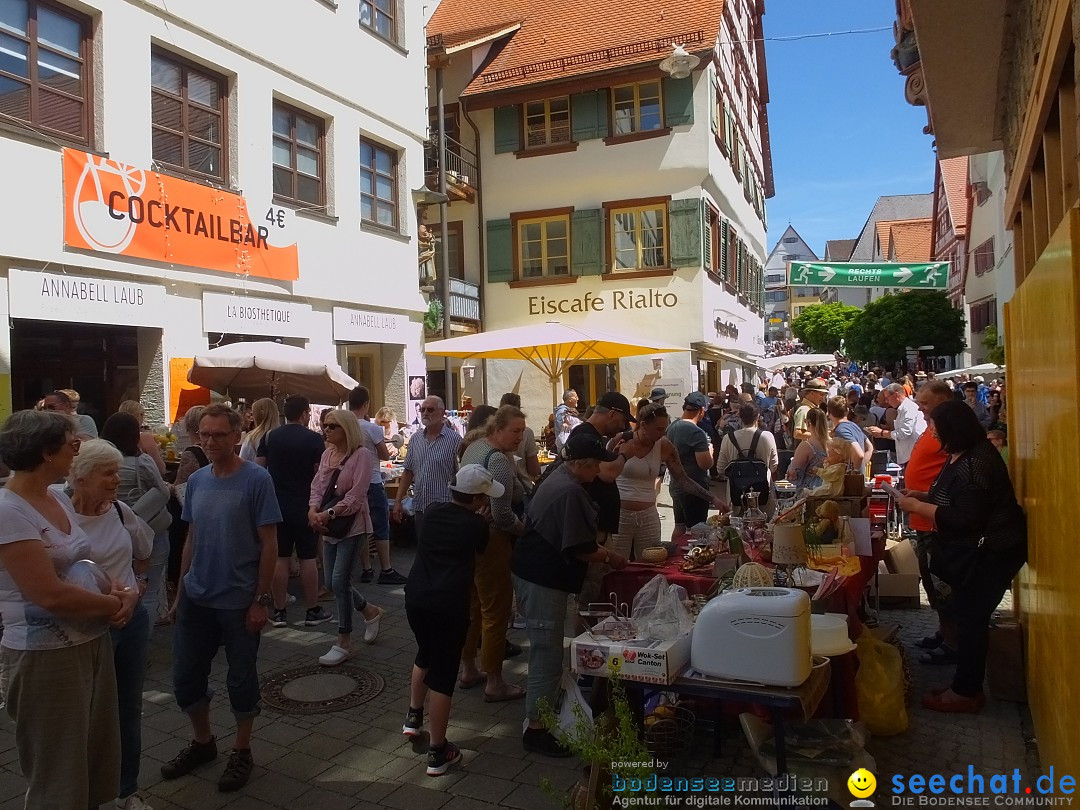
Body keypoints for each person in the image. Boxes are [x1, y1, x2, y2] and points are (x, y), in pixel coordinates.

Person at [0, 410, 138, 808]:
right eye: (73, 445)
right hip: (44, 656)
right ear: (46, 452)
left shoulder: (53, 497)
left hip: (89, 642)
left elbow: (84, 563)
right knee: (58, 773)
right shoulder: (10, 511)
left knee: (95, 760)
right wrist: (113, 602)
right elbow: (48, 594)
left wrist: (123, 591)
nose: (78, 453)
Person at [162, 404, 281, 793]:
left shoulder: (256, 479)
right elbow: (191, 540)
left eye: (219, 435)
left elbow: (269, 545)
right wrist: (179, 592)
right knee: (185, 678)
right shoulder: (196, 481)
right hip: (197, 596)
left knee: (241, 679)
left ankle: (242, 749)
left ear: (236, 435)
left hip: (238, 599)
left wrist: (261, 600)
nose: (210, 442)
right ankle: (203, 741)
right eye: (205, 435)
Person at [896, 400, 1027, 713]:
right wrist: (925, 495)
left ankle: (966, 692)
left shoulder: (978, 461)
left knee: (972, 619)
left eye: (938, 431)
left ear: (955, 431)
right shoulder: (964, 453)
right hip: (981, 550)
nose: (934, 436)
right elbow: (957, 497)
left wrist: (918, 508)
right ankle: (963, 685)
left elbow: (966, 517)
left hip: (992, 552)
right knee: (968, 616)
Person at [512, 433, 629, 757]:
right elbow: (581, 549)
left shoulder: (560, 475)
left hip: (534, 573)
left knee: (546, 650)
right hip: (541, 578)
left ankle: (541, 714)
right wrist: (611, 557)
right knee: (547, 653)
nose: (598, 475)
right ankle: (536, 728)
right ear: (583, 465)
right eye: (595, 469)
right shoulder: (569, 491)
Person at [66, 439, 155, 810]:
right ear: (81, 477)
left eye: (117, 471)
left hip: (131, 622)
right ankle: (87, 794)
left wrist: (135, 586)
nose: (116, 479)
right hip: (87, 628)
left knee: (127, 708)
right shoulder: (60, 515)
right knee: (86, 717)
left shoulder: (119, 510)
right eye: (108, 472)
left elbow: (146, 552)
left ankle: (125, 791)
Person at [402, 464, 497, 776]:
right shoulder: (476, 525)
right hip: (448, 603)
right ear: (476, 500)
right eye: (484, 498)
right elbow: (480, 547)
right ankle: (438, 751)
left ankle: (413, 717)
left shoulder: (432, 511)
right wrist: (479, 521)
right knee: (443, 676)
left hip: (416, 596)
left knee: (424, 653)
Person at [458, 405, 527, 702]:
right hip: (493, 541)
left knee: (472, 605)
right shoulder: (497, 458)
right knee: (495, 611)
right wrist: (525, 530)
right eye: (515, 431)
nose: (519, 437)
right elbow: (501, 514)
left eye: (522, 432)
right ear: (498, 429)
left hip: (469, 536)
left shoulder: (473, 447)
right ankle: (495, 681)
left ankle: (469, 668)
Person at [308, 409, 385, 665]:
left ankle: (344, 639)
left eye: (332, 426)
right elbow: (318, 486)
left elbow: (356, 496)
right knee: (331, 583)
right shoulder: (327, 453)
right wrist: (312, 510)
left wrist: (327, 514)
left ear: (346, 429)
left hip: (352, 526)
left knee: (340, 580)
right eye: (325, 426)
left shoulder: (361, 455)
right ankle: (369, 610)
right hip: (329, 524)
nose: (326, 430)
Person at [615, 400, 728, 559]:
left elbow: (683, 479)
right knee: (616, 563)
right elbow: (604, 474)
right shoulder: (621, 440)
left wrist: (714, 499)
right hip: (620, 515)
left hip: (648, 516)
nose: (662, 433)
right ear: (643, 425)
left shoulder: (664, 445)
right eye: (659, 429)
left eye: (665, 429)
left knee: (651, 563)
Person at [258, 395, 332, 628]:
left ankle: (279, 611)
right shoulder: (314, 439)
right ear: (304, 413)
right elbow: (320, 474)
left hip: (276, 505)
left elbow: (259, 470)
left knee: (281, 558)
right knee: (308, 557)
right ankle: (312, 610)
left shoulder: (269, 437)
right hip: (305, 504)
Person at [564, 392, 636, 611]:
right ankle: (585, 642)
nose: (623, 427)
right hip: (593, 531)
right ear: (612, 414)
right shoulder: (585, 435)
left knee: (597, 594)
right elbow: (606, 473)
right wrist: (624, 455)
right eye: (623, 421)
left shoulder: (592, 436)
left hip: (599, 528)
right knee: (590, 598)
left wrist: (611, 449)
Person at [102, 411, 172, 628]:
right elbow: (163, 491)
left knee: (115, 585)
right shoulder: (141, 461)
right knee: (148, 590)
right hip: (148, 528)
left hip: (110, 529)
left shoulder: (102, 460)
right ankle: (143, 646)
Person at [904, 381, 955, 660]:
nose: (920, 408)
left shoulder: (949, 430)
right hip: (923, 517)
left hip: (936, 521)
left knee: (942, 584)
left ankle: (953, 643)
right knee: (931, 583)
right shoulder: (932, 427)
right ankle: (944, 632)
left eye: (925, 403)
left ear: (944, 400)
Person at [348, 386, 408, 585]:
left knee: (361, 527)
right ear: (366, 404)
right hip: (372, 481)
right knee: (380, 525)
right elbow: (384, 455)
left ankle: (366, 569)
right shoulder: (371, 428)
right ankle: (386, 569)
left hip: (352, 483)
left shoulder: (345, 426)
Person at [393, 396, 461, 539]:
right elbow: (408, 471)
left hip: (444, 507)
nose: (425, 413)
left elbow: (460, 475)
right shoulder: (415, 439)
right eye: (422, 409)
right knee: (423, 552)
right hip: (420, 507)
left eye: (430, 409)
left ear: (442, 413)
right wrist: (398, 501)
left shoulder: (455, 440)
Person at [165, 405, 209, 619]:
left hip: (187, 510)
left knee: (181, 547)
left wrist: (166, 486)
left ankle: (178, 592)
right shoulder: (208, 451)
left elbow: (181, 485)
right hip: (204, 505)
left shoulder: (192, 452)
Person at [666, 392, 721, 539]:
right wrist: (710, 452)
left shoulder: (672, 426)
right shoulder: (696, 432)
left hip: (676, 486)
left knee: (679, 526)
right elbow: (705, 464)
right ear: (701, 411)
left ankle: (674, 557)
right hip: (695, 489)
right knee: (697, 531)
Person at [715, 401, 779, 512]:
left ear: (739, 416)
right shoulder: (767, 437)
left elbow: (720, 469)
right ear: (758, 416)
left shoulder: (728, 438)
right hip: (763, 495)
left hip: (737, 496)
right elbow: (774, 466)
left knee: (737, 527)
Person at [867, 383, 926, 466]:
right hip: (909, 455)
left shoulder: (908, 408)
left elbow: (904, 433)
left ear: (896, 395)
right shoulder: (903, 408)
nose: (886, 401)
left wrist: (882, 433)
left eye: (887, 398)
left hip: (913, 455)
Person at [786, 408, 829, 493]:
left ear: (808, 422)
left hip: (810, 493)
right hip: (827, 490)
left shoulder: (806, 446)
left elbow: (794, 475)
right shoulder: (831, 444)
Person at [119, 399, 167, 475]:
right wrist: (156, 451)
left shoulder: (114, 437)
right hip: (140, 482)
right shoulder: (145, 437)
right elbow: (161, 469)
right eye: (142, 414)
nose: (143, 417)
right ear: (138, 415)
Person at [826, 396, 873, 469]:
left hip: (848, 479)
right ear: (847, 411)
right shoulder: (854, 426)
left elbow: (859, 455)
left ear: (828, 413)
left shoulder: (841, 430)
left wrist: (854, 473)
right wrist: (862, 467)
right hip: (858, 478)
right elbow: (869, 447)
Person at [791, 379, 829, 445]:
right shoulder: (804, 410)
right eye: (821, 394)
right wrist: (820, 435)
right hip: (806, 450)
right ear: (811, 393)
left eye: (824, 395)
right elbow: (797, 433)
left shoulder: (812, 408)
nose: (823, 397)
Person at [239, 398, 278, 462]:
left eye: (253, 414)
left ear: (258, 415)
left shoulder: (251, 438)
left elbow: (242, 462)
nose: (252, 419)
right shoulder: (284, 436)